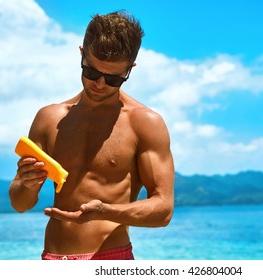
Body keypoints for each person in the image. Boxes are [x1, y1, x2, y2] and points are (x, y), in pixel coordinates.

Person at [9, 10, 174, 260]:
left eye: (113, 79)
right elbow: (20, 204)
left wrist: (105, 211)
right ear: (81, 55)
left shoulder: (144, 123)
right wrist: (25, 183)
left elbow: (163, 211)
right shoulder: (49, 119)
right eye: (92, 73)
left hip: (111, 259)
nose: (99, 85)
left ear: (130, 69)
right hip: (52, 260)